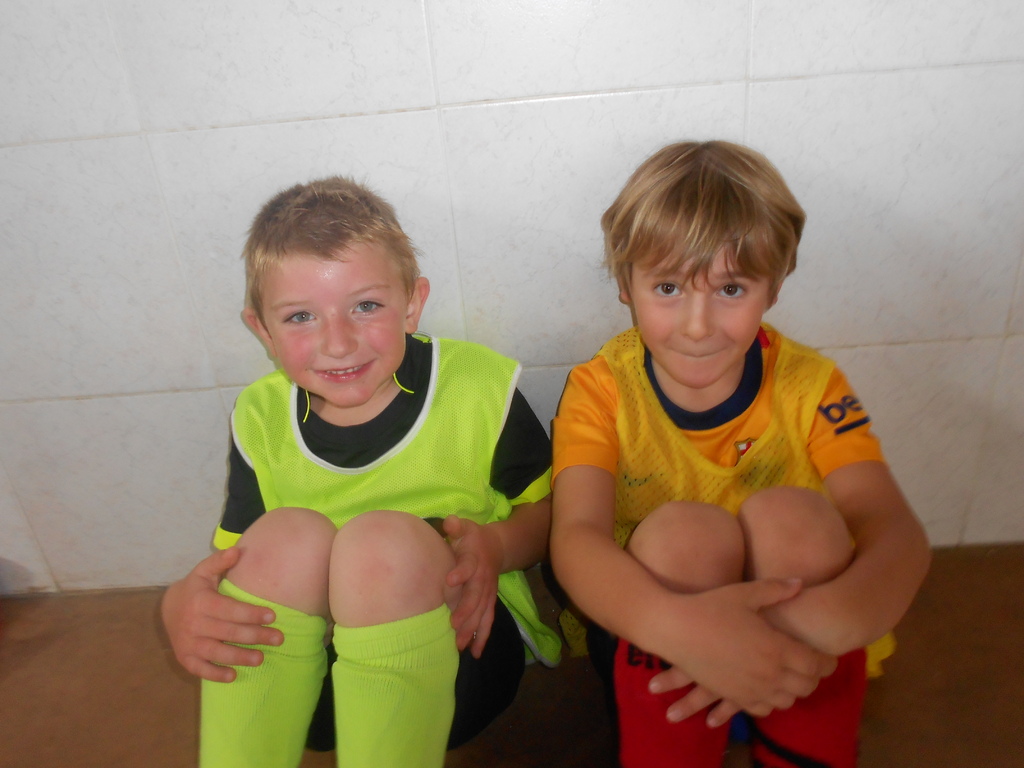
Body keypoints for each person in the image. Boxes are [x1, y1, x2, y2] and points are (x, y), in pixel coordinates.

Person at [549, 140, 931, 768]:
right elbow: (575, 540)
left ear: (773, 288)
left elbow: (895, 531)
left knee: (797, 519)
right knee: (681, 537)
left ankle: (806, 751)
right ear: (625, 287)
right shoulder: (601, 389)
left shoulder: (810, 384)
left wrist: (826, 619)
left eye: (730, 288)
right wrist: (679, 628)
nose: (697, 325)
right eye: (668, 287)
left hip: (796, 660)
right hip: (663, 655)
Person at [160, 176, 561, 768]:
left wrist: (496, 546)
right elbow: (238, 560)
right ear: (262, 329)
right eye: (300, 316)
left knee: (379, 543)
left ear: (412, 303)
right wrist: (183, 603)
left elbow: (553, 515)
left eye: (366, 306)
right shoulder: (259, 415)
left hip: (460, 653)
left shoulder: (480, 388)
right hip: (313, 683)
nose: (339, 343)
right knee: (284, 536)